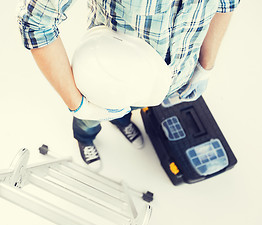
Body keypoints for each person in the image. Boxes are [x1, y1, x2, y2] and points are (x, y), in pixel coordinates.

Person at [17, 0, 240, 171]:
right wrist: (77, 104)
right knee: (88, 120)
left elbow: (226, 3)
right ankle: (85, 137)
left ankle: (121, 120)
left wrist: (205, 66)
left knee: (127, 109)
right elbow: (36, 22)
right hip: (105, 75)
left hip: (162, 83)